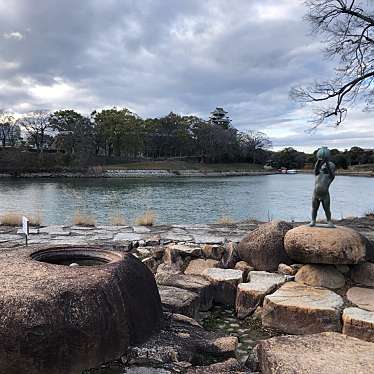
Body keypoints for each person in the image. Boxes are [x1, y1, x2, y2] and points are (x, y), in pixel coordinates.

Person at [309, 147, 336, 228]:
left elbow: (330, 171)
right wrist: (319, 160)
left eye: (326, 166)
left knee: (327, 209)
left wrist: (327, 162)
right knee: (314, 208)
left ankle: (329, 221)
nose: (323, 166)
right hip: (315, 194)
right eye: (323, 165)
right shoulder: (318, 173)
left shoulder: (331, 176)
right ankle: (313, 220)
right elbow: (316, 167)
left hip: (325, 195)